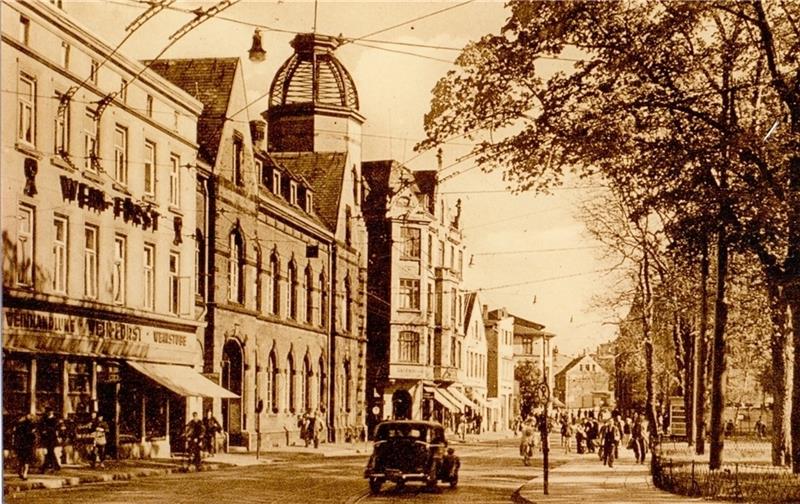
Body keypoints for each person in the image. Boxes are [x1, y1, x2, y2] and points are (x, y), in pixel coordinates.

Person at [14, 413, 37, 480]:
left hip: (22, 444)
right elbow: (33, 436)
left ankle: (22, 472)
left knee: (22, 459)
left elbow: (16, 435)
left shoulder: (19, 424)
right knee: (26, 459)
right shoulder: (31, 425)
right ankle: (24, 473)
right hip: (27, 444)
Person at [39, 409, 61, 473]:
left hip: (52, 437)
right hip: (46, 437)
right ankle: (54, 466)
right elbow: (41, 426)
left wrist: (47, 430)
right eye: (48, 412)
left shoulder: (55, 419)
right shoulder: (44, 419)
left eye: (50, 412)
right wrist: (42, 431)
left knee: (50, 451)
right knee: (49, 452)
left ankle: (48, 466)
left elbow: (55, 428)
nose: (49, 413)